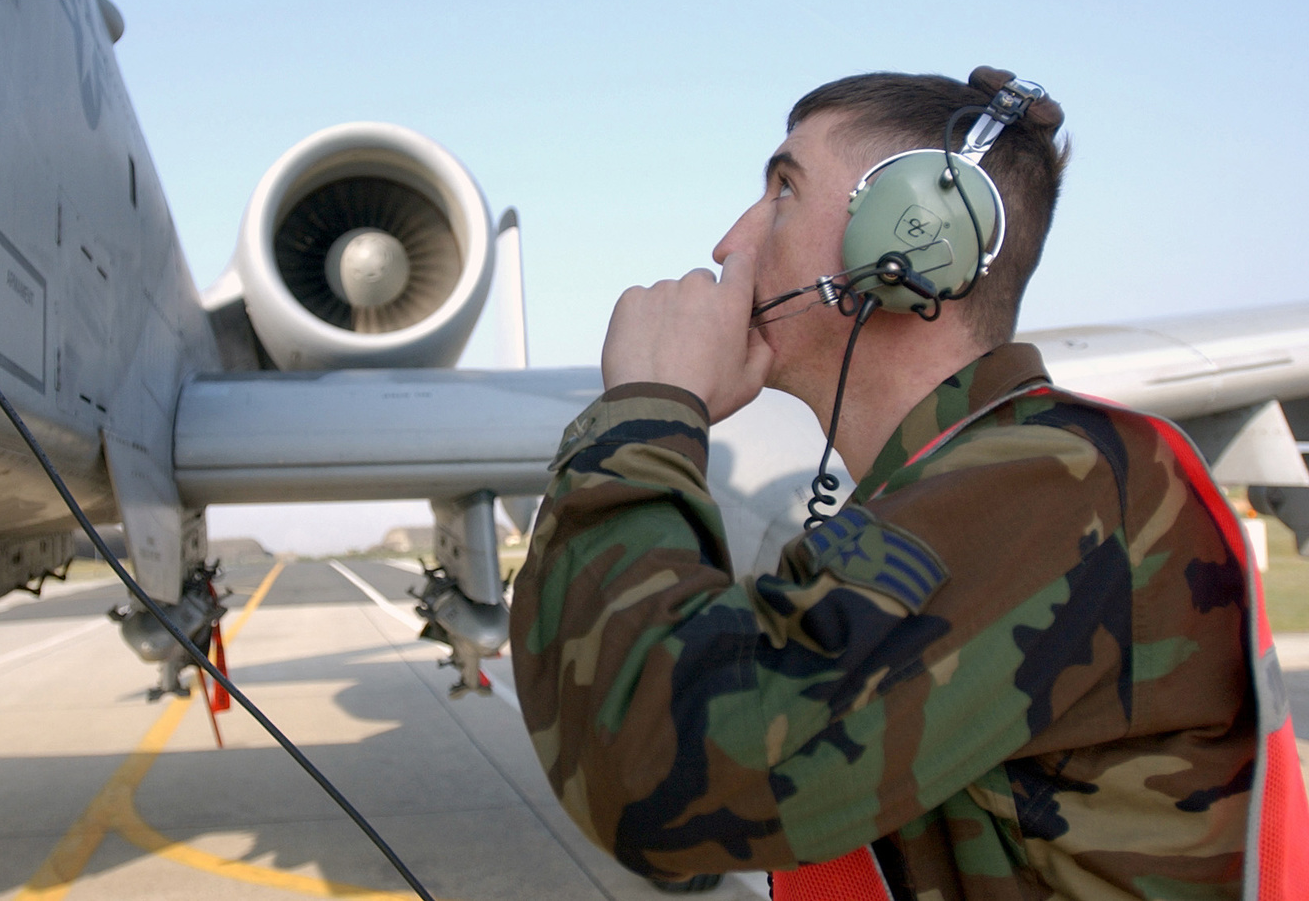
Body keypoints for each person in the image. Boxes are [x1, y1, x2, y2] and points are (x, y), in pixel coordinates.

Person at [508, 68, 1308, 899]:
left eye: (783, 189)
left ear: (908, 236)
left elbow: (662, 779)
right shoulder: (966, 488)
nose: (730, 243)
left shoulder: (1049, 488)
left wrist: (645, 413)